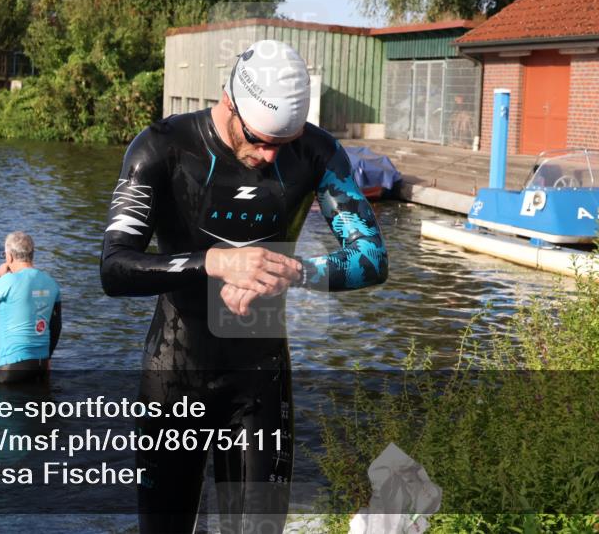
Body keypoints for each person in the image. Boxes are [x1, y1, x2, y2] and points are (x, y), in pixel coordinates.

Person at [100, 39, 388, 533]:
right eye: (260, 139)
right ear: (229, 102)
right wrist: (214, 262)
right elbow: (115, 268)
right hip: (175, 374)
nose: (270, 154)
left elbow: (372, 258)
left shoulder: (317, 152)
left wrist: (294, 271)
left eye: (284, 143)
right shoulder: (161, 148)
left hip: (259, 377)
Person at [0, 232, 62, 384]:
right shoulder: (51, 283)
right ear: (32, 254)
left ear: (9, 256)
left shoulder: (8, 281)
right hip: (41, 365)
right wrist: (48, 358)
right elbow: (56, 326)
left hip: (12, 368)